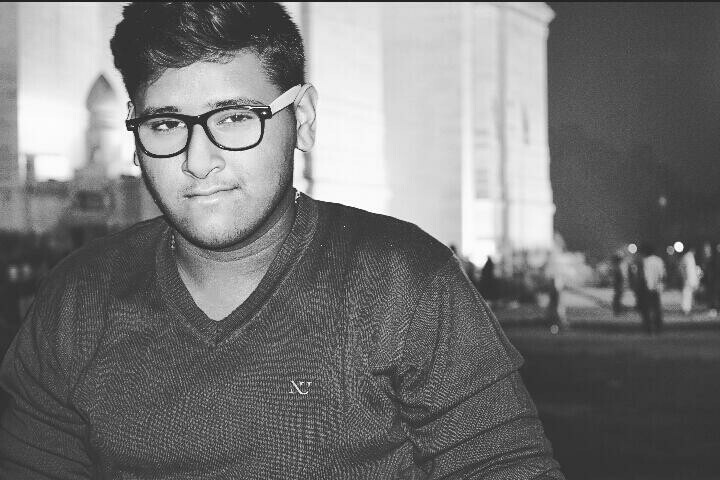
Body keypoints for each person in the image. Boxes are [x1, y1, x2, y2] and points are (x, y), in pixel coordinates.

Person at [0, 3, 564, 479]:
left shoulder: (403, 286)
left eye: (235, 118)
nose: (199, 161)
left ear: (304, 118)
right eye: (166, 125)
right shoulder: (77, 303)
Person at [638, 243, 666, 334]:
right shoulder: (659, 260)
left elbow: (643, 276)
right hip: (657, 288)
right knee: (657, 309)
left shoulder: (645, 261)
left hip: (647, 288)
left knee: (646, 309)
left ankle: (648, 328)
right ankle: (658, 328)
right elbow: (662, 274)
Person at [679, 246, 699, 316]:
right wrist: (685, 277)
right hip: (689, 279)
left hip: (689, 279)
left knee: (688, 294)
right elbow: (682, 268)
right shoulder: (688, 257)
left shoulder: (689, 257)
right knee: (687, 294)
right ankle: (686, 309)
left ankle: (687, 309)